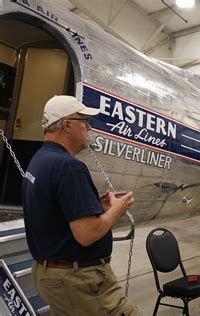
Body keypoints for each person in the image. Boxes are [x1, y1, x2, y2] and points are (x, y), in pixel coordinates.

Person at [22, 95, 141, 315]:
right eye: (84, 121)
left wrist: (93, 206)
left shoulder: (40, 160)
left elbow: (52, 212)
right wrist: (117, 210)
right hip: (80, 281)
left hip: (52, 275)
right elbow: (87, 234)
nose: (89, 127)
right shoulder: (68, 167)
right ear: (67, 125)